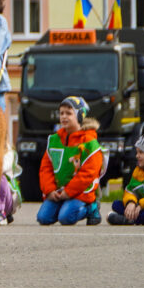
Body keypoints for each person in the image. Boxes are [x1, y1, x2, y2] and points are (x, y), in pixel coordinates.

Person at [37, 96, 103, 226]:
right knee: (43, 218)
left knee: (66, 218)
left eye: (69, 113)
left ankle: (91, 207)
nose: (63, 117)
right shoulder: (54, 140)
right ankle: (64, 206)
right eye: (61, 113)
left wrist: (68, 192)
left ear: (80, 116)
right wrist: (50, 191)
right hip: (59, 192)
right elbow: (46, 168)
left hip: (80, 192)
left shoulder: (89, 142)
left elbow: (88, 173)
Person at [107, 130, 144, 225]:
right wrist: (131, 202)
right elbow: (130, 190)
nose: (137, 156)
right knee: (116, 204)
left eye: (141, 152)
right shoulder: (139, 169)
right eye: (137, 152)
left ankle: (130, 220)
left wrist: (141, 205)